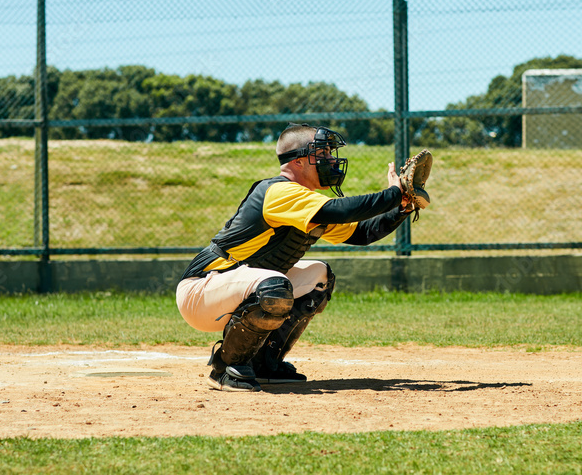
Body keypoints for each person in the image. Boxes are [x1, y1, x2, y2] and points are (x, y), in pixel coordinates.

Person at [176, 123, 416, 392]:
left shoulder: (305, 201)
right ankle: (225, 368)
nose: (331, 160)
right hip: (203, 289)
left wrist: (403, 207)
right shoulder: (278, 191)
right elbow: (339, 211)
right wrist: (393, 194)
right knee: (275, 286)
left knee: (319, 277)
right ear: (300, 161)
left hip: (240, 287)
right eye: (323, 154)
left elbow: (361, 233)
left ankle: (264, 363)